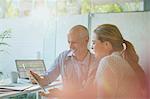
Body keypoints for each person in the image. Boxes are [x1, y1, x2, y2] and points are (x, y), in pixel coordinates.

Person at [30, 25, 99, 99]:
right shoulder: (63, 57)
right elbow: (48, 78)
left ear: (86, 40)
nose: (70, 46)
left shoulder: (96, 61)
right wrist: (38, 79)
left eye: (74, 42)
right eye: (69, 42)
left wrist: (60, 94)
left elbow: (88, 92)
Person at [92, 24, 148, 99]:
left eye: (94, 42)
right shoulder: (123, 62)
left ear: (106, 44)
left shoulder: (108, 62)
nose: (92, 47)